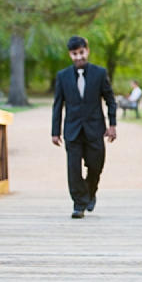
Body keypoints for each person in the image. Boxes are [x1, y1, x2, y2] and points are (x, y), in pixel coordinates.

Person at [51, 35, 117, 219]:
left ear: (87, 51)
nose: (78, 57)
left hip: (95, 128)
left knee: (96, 165)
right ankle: (79, 204)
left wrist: (112, 124)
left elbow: (110, 100)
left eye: (81, 52)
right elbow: (58, 105)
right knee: (73, 168)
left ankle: (90, 191)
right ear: (70, 55)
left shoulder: (99, 73)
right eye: (74, 54)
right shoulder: (62, 76)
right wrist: (55, 132)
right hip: (72, 130)